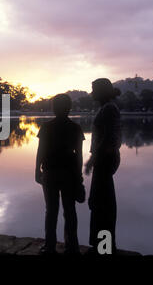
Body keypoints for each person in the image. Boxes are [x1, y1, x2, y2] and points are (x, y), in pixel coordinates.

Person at [35, 94, 85, 255]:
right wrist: (79, 175)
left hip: (50, 172)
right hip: (69, 173)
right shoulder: (75, 128)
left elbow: (41, 151)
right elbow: (79, 155)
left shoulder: (47, 127)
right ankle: (72, 246)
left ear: (54, 108)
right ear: (69, 108)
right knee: (70, 210)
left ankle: (50, 246)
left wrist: (37, 170)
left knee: (51, 210)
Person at [84, 78, 122, 254]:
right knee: (101, 202)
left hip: (105, 159)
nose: (91, 92)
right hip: (105, 158)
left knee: (102, 203)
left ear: (101, 91)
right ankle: (103, 246)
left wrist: (93, 159)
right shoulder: (108, 107)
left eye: (93, 89)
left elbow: (107, 138)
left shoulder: (108, 109)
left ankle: (105, 248)